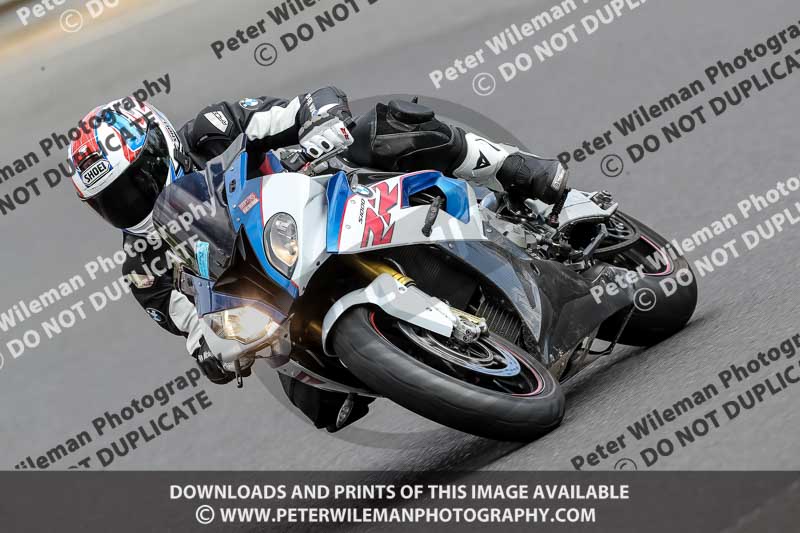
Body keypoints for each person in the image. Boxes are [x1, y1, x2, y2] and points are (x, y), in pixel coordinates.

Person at [68, 86, 567, 432]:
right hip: (273, 293)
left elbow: (303, 104)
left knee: (388, 129)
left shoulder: (211, 130)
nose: (131, 202)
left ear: (161, 145)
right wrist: (208, 347)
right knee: (321, 403)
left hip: (323, 200)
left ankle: (514, 168)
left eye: (136, 182)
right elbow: (191, 322)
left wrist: (322, 122)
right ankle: (434, 362)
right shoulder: (143, 266)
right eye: (113, 201)